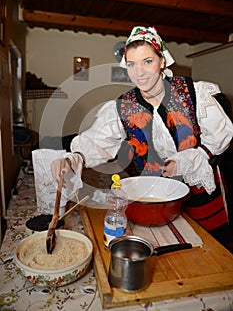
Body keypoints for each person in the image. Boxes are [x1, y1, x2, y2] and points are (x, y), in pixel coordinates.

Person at [51, 26, 233, 251]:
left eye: (147, 61)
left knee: (211, 251)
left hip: (202, 194)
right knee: (166, 252)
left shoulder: (194, 93)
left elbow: (220, 138)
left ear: (162, 61)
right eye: (132, 64)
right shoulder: (123, 107)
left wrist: (187, 161)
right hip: (155, 197)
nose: (139, 72)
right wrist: (72, 159)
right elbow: (96, 142)